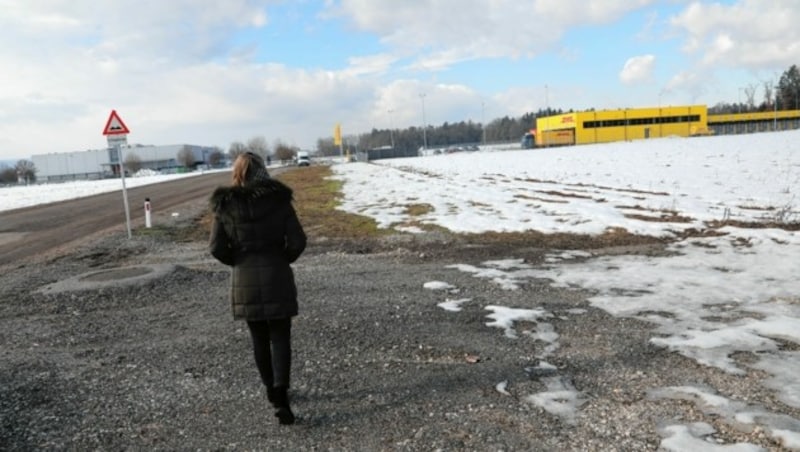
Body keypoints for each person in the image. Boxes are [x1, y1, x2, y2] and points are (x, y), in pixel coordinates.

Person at [208, 152, 307, 425]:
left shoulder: (225, 205)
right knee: (281, 336)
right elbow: (298, 240)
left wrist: (238, 263)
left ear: (238, 173)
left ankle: (270, 391)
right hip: (277, 275)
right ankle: (281, 393)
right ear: (263, 171)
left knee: (259, 338)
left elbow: (216, 247)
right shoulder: (279, 200)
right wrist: (281, 258)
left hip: (244, 281)